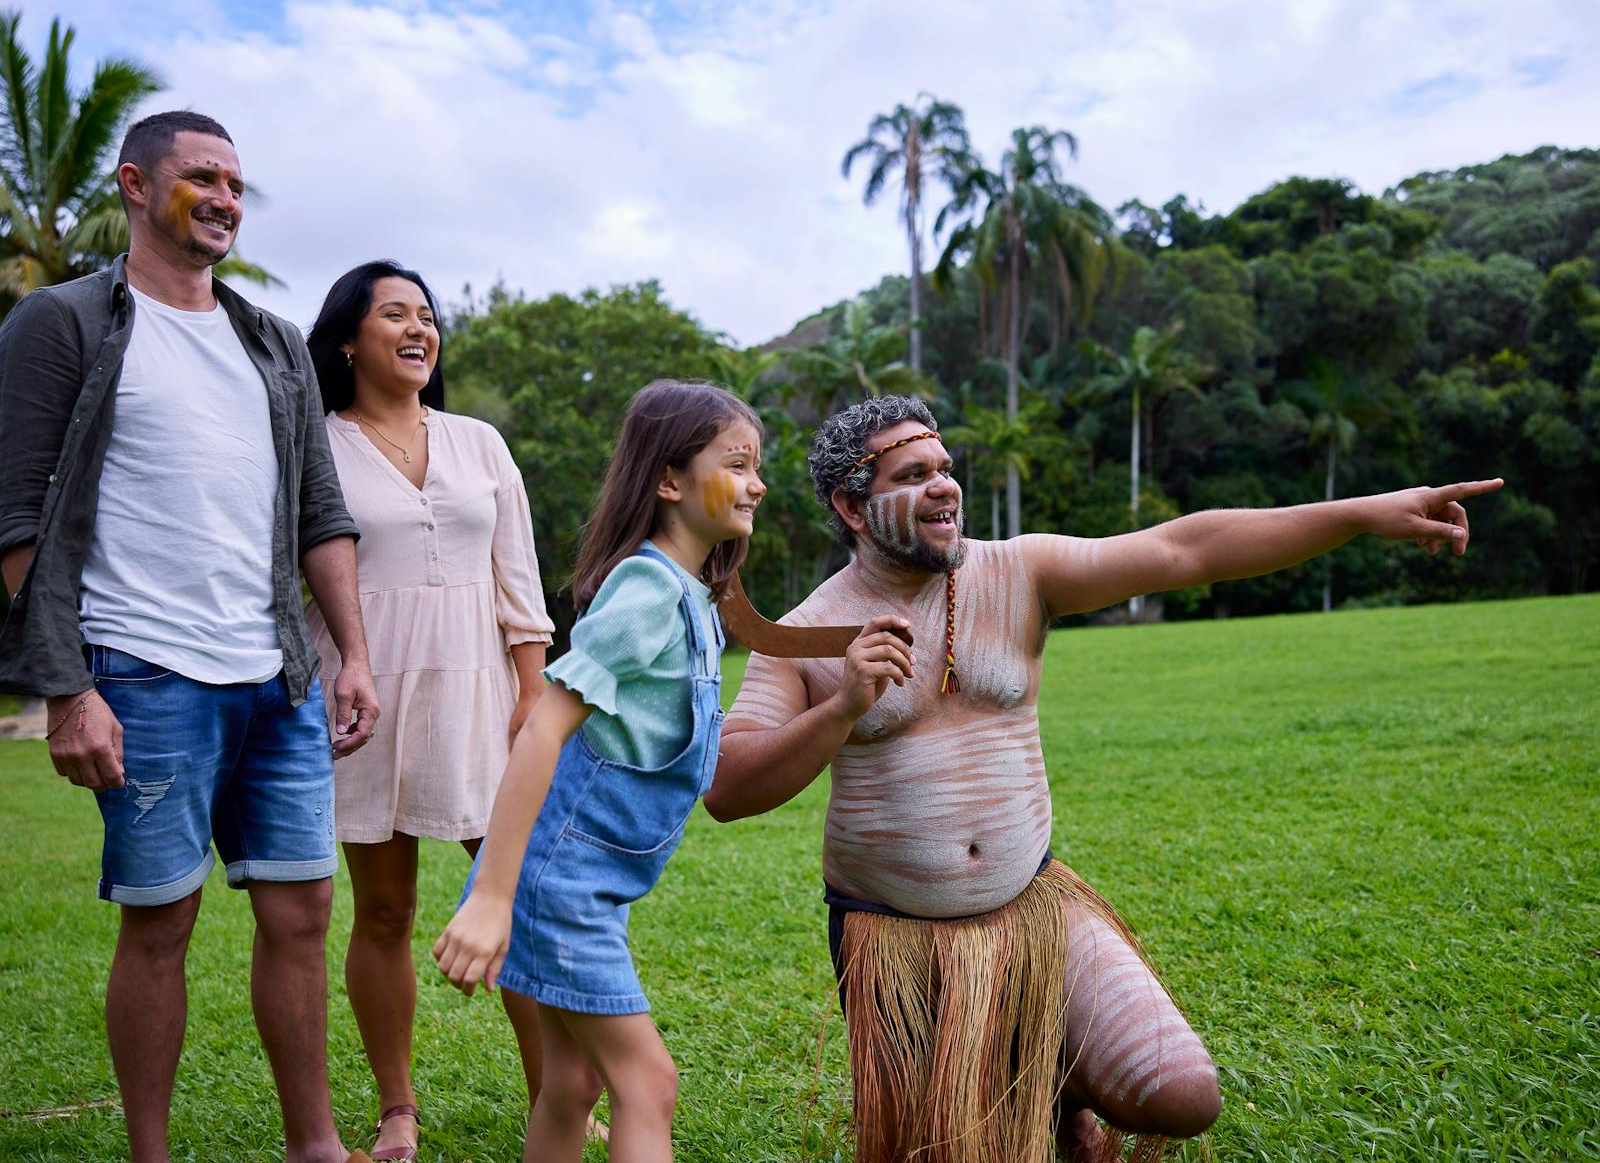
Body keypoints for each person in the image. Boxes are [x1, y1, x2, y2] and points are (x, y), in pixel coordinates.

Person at [707, 394, 1503, 1163]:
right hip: (897, 938)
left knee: (1183, 1095)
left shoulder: (1020, 573)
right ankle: (1034, 1090)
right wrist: (842, 705)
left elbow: (1183, 549)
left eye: (944, 466)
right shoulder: (805, 633)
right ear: (852, 507)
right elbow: (730, 789)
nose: (943, 484)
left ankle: (1061, 1081)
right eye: (911, 475)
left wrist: (1363, 513)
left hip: (1035, 903)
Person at [0, 111, 379, 1163]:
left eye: (236, 184)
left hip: (278, 677)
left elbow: (320, 512)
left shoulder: (267, 339)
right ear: (132, 184)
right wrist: (68, 688)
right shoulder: (62, 324)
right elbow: (17, 519)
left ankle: (317, 1146)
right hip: (142, 669)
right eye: (200, 177)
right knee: (159, 924)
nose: (223, 197)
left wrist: (353, 653)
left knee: (302, 914)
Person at [433, 380, 767, 1163]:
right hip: (561, 882)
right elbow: (543, 731)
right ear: (669, 479)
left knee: (572, 1080)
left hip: (589, 883)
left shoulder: (691, 596)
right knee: (647, 1083)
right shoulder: (648, 588)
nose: (756, 483)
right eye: (739, 463)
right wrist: (491, 895)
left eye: (759, 467)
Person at [304, 260, 558, 1162]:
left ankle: (553, 1102)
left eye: (427, 316)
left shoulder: (479, 443)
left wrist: (533, 691)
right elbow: (298, 581)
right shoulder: (314, 443)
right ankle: (398, 1109)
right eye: (395, 315)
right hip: (365, 698)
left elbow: (517, 578)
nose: (419, 330)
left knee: (521, 901)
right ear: (348, 339)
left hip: (485, 696)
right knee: (383, 912)